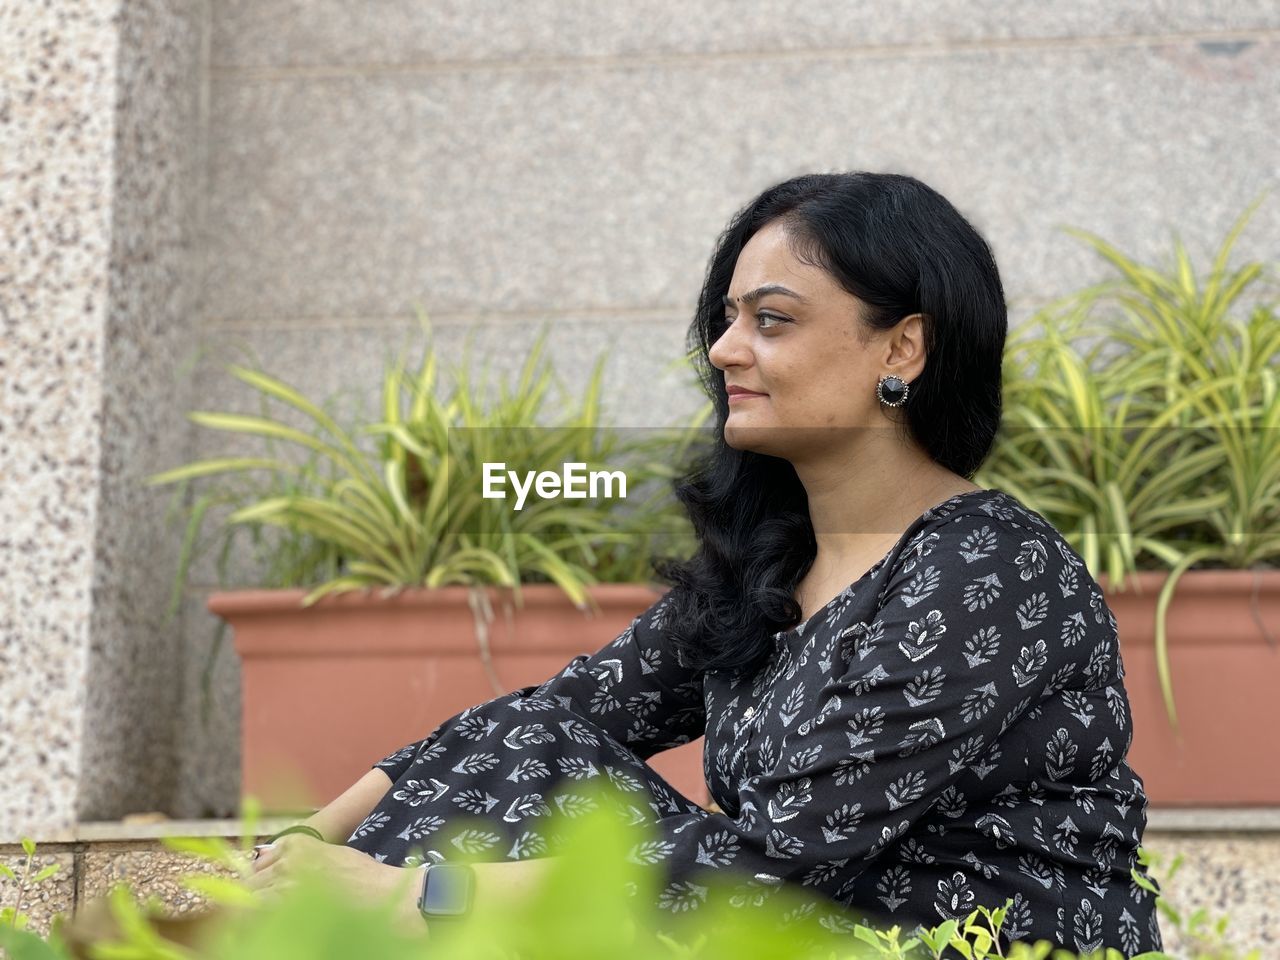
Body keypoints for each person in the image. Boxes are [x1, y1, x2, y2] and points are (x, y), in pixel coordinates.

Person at [247, 172, 1163, 955]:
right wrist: (300, 846)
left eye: (770, 321)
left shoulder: (989, 572)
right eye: (727, 320)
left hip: (947, 943)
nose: (724, 351)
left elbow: (782, 859)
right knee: (532, 747)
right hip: (794, 927)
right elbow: (556, 716)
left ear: (902, 347)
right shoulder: (776, 564)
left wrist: (415, 895)